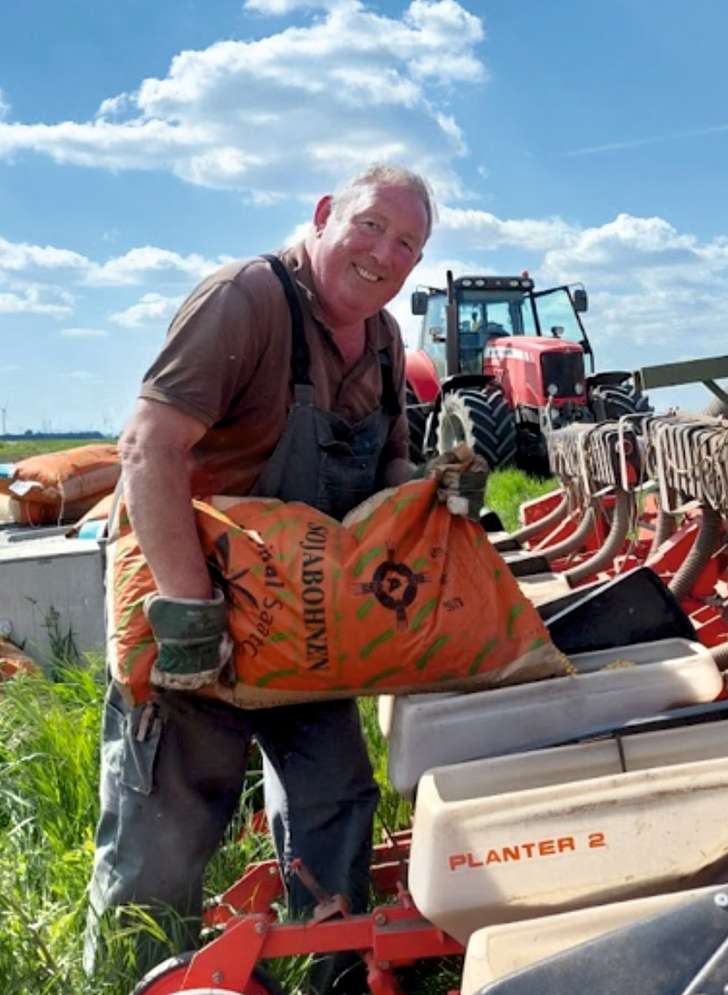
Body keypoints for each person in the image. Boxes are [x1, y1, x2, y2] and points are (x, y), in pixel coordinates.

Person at [85, 164, 440, 993]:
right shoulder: (245, 301)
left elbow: (385, 464)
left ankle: (336, 970)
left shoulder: (384, 341)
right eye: (370, 225)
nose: (385, 253)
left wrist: (428, 488)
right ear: (322, 214)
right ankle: (137, 978)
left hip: (300, 618)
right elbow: (149, 446)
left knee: (336, 799)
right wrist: (187, 608)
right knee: (162, 835)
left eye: (408, 244)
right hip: (193, 611)